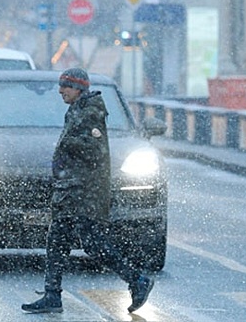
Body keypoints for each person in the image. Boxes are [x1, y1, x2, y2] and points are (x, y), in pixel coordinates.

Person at [21, 68, 154, 314]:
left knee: (92, 243)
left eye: (66, 86)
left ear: (79, 88)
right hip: (72, 190)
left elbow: (94, 152)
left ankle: (137, 280)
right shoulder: (78, 110)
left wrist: (66, 145)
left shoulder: (91, 112)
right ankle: (53, 295)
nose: (61, 90)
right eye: (61, 85)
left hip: (84, 192)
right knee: (60, 240)